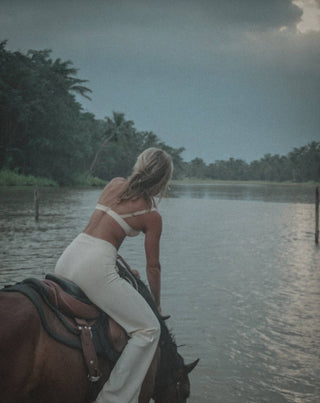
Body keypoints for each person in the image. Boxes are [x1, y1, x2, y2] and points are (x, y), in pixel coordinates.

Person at [55, 147, 173, 403]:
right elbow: (153, 268)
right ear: (163, 180)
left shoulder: (114, 184)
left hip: (68, 257)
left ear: (139, 165)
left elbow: (103, 233)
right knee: (148, 329)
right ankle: (112, 398)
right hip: (95, 267)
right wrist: (157, 304)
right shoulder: (151, 215)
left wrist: (121, 266)